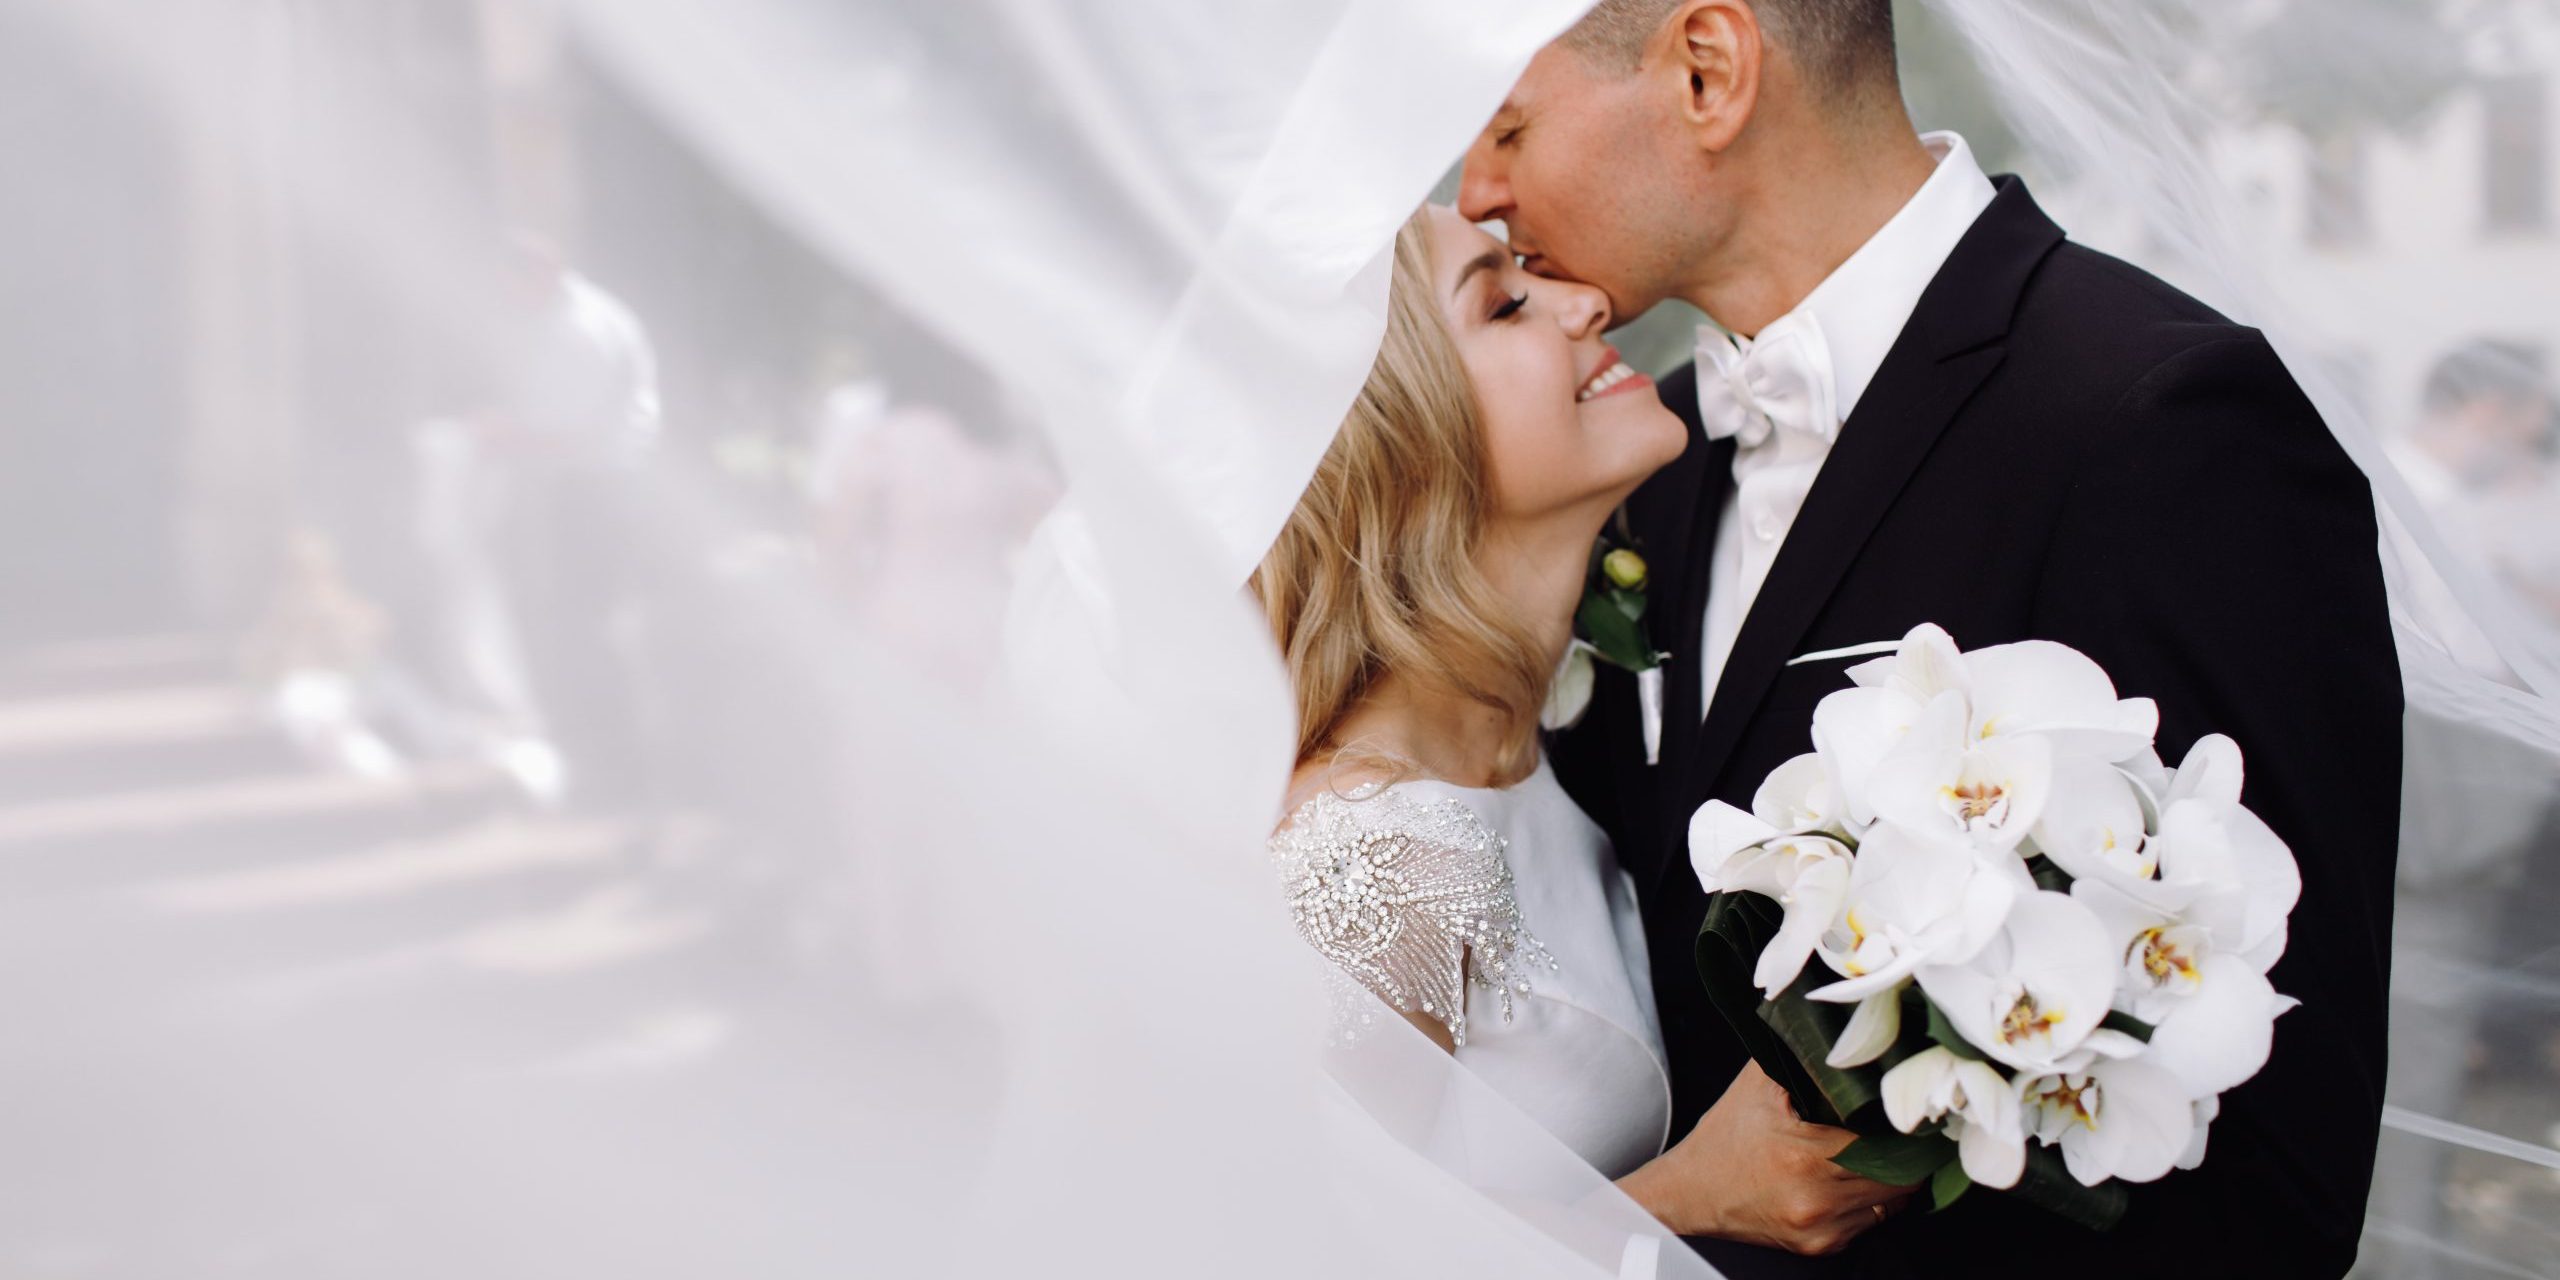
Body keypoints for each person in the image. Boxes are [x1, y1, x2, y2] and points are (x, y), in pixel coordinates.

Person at [1467, 2, 2402, 1275]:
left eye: (1507, 128)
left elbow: (2279, 1173)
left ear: (1708, 70)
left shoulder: (2155, 420)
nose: (1478, 192)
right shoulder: (1643, 468)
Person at [1255, 205, 1910, 1255]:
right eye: (1507, 301)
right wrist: (1691, 1193)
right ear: (1404, 445)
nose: (1585, 300)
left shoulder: (1526, 757)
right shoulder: (1367, 862)